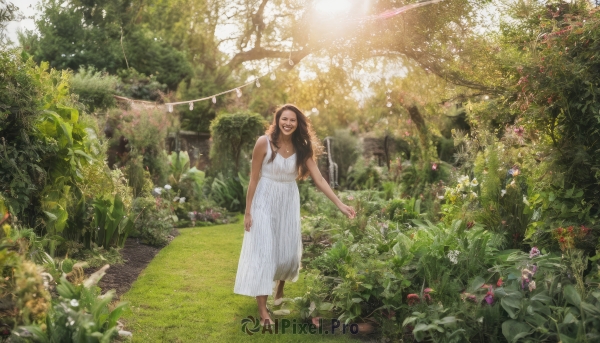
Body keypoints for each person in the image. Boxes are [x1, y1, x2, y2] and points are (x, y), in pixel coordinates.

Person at [233, 104, 356, 327]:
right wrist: (248, 211)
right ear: (277, 120)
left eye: (292, 120)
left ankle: (280, 284)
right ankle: (263, 311)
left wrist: (340, 204)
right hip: (264, 200)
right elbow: (253, 178)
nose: (288, 123)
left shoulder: (302, 147)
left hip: (288, 200)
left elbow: (319, 179)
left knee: (288, 255)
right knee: (264, 253)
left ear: (298, 124)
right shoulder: (264, 143)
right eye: (284, 119)